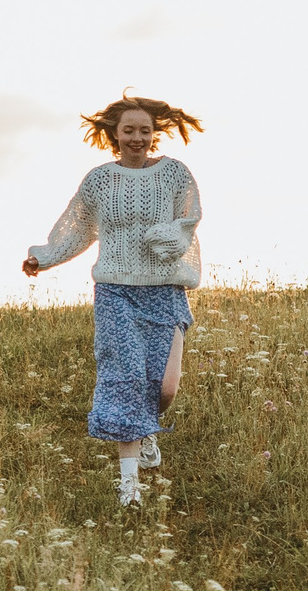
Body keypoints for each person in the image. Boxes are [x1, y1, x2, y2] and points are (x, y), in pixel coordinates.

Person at [22, 95, 204, 507]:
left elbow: (189, 220)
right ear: (114, 134)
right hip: (115, 292)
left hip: (164, 290)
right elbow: (77, 229)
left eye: (144, 130)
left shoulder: (175, 174)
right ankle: (129, 489)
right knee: (125, 380)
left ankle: (145, 431)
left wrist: (171, 239)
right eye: (129, 130)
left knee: (164, 388)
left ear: (155, 133)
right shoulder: (100, 180)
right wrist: (43, 257)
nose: (137, 137)